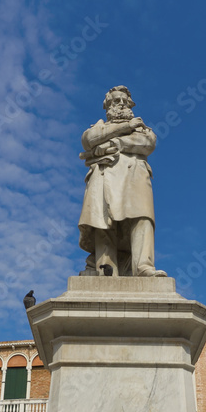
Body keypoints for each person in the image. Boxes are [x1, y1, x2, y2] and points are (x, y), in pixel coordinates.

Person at [78, 85, 166, 277]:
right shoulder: (99, 127)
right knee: (103, 222)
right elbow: (89, 140)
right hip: (104, 176)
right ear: (108, 105)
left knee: (142, 218)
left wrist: (116, 143)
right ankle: (106, 269)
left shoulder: (141, 127)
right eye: (116, 100)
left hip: (134, 175)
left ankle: (143, 267)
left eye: (125, 101)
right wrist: (126, 128)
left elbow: (147, 143)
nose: (122, 104)